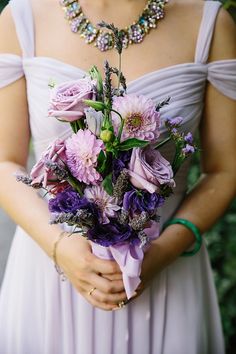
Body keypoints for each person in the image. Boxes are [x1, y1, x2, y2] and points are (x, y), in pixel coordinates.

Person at [0, 0, 235, 353]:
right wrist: (61, 248)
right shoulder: (22, 18)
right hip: (50, 271)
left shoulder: (210, 24)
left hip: (165, 272)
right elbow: (5, 162)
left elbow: (225, 170)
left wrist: (163, 253)